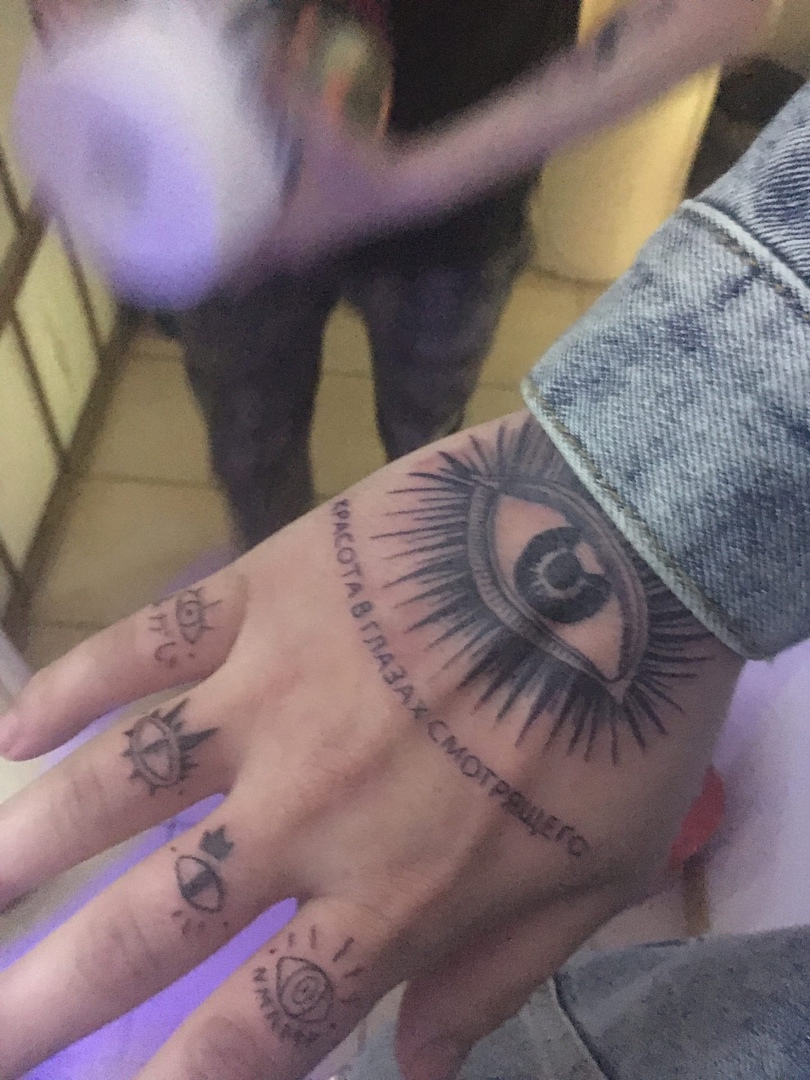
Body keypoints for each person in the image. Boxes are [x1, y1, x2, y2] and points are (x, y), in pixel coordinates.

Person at [0, 67, 808, 1078]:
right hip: (245, 206)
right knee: (260, 448)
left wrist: (659, 507)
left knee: (415, 403)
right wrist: (654, 510)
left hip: (458, 223)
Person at [32, 0, 772, 547]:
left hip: (456, 177)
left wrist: (411, 184)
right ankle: (277, 584)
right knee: (252, 452)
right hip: (220, 188)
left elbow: (720, 10)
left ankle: (401, 582)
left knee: (422, 444)